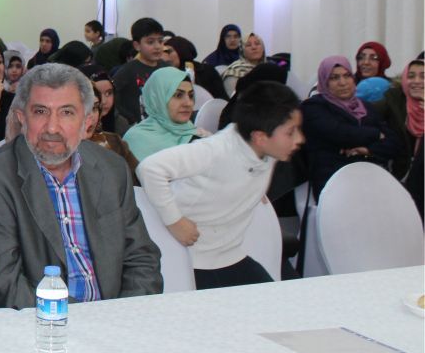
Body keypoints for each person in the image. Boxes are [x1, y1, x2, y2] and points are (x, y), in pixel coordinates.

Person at [0, 63, 161, 309]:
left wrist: (122, 314)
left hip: (115, 315)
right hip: (43, 322)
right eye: (40, 112)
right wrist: (80, 320)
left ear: (87, 121)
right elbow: (2, 283)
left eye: (67, 112)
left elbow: (141, 258)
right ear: (22, 117)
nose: (52, 128)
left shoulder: (112, 169)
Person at [138, 82, 304, 289]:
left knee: (279, 298)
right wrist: (175, 221)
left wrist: (251, 189)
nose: (299, 139)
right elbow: (150, 169)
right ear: (260, 137)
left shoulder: (264, 149)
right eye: (291, 132)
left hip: (228, 255)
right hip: (187, 259)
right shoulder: (215, 150)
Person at [300, 56, 402, 199]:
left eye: (347, 75)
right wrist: (376, 134)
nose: (343, 83)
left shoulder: (365, 107)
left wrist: (367, 150)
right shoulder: (314, 107)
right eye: (334, 78)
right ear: (324, 81)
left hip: (370, 179)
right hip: (333, 182)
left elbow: (394, 142)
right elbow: (341, 134)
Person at [119, 68, 199, 164]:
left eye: (191, 96)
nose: (188, 103)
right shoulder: (136, 139)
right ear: (157, 99)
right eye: (178, 95)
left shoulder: (198, 136)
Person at [374, 53, 423, 184]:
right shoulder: (393, 101)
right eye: (411, 76)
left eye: (423, 76)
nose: (416, 81)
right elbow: (367, 115)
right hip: (399, 177)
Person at [111, 17, 166, 126]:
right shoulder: (127, 70)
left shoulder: (166, 68)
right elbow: (111, 96)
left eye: (160, 41)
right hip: (137, 126)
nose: (157, 46)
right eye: (150, 42)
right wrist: (129, 118)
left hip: (162, 123)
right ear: (137, 45)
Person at [221, 32, 269, 98]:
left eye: (257, 44)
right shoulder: (234, 71)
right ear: (242, 50)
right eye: (248, 45)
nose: (254, 47)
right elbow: (233, 99)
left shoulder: (269, 69)